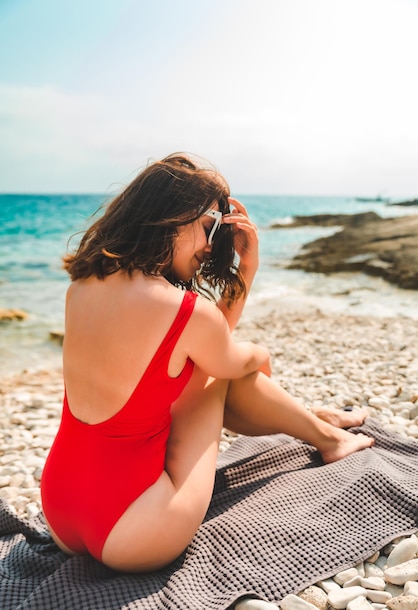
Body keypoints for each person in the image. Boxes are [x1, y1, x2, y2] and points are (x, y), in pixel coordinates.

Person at [41, 153, 374, 573]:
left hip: (59, 510)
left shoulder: (81, 287)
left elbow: (204, 342)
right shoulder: (181, 309)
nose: (209, 246)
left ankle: (314, 420)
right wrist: (248, 286)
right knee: (223, 375)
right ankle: (330, 439)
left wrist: (230, 350)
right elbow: (228, 360)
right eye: (209, 228)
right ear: (174, 216)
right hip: (135, 532)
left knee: (207, 368)